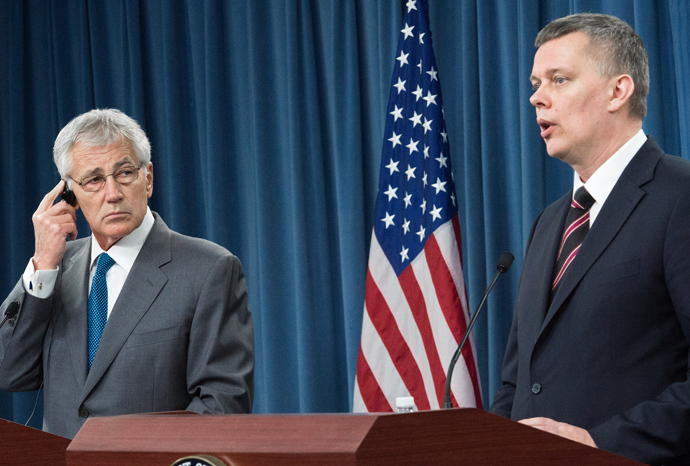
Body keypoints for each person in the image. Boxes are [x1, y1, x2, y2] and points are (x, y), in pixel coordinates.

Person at [490, 13, 690, 465]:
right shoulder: (549, 222)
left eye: (558, 80)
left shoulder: (681, 197)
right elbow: (517, 383)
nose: (536, 98)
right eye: (536, 82)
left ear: (618, 91)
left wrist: (600, 444)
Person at [0, 109, 254, 439]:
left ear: (148, 178)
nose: (112, 193)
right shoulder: (54, 270)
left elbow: (223, 405)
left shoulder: (210, 269)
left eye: (124, 173)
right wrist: (41, 266)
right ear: (69, 195)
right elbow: (9, 373)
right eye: (93, 180)